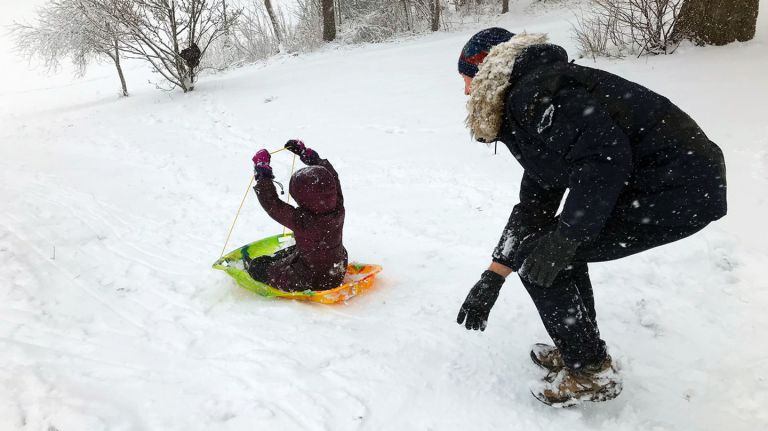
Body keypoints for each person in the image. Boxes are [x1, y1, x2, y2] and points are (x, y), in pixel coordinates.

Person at [454, 28, 727, 407]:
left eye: (466, 78)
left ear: (484, 70)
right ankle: (583, 353)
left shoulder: (536, 94)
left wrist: (568, 236)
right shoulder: (535, 93)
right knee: (551, 251)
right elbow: (536, 203)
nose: (466, 91)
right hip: (667, 185)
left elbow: (605, 159)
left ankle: (589, 371)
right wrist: (494, 274)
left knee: (545, 259)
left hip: (676, 189)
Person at [245, 140, 348, 292]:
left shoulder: (303, 221)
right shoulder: (338, 206)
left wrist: (262, 174)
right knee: (304, 250)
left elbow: (271, 203)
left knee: (259, 266)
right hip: (337, 270)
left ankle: (258, 266)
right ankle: (293, 260)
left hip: (308, 280)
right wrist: (308, 155)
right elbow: (333, 176)